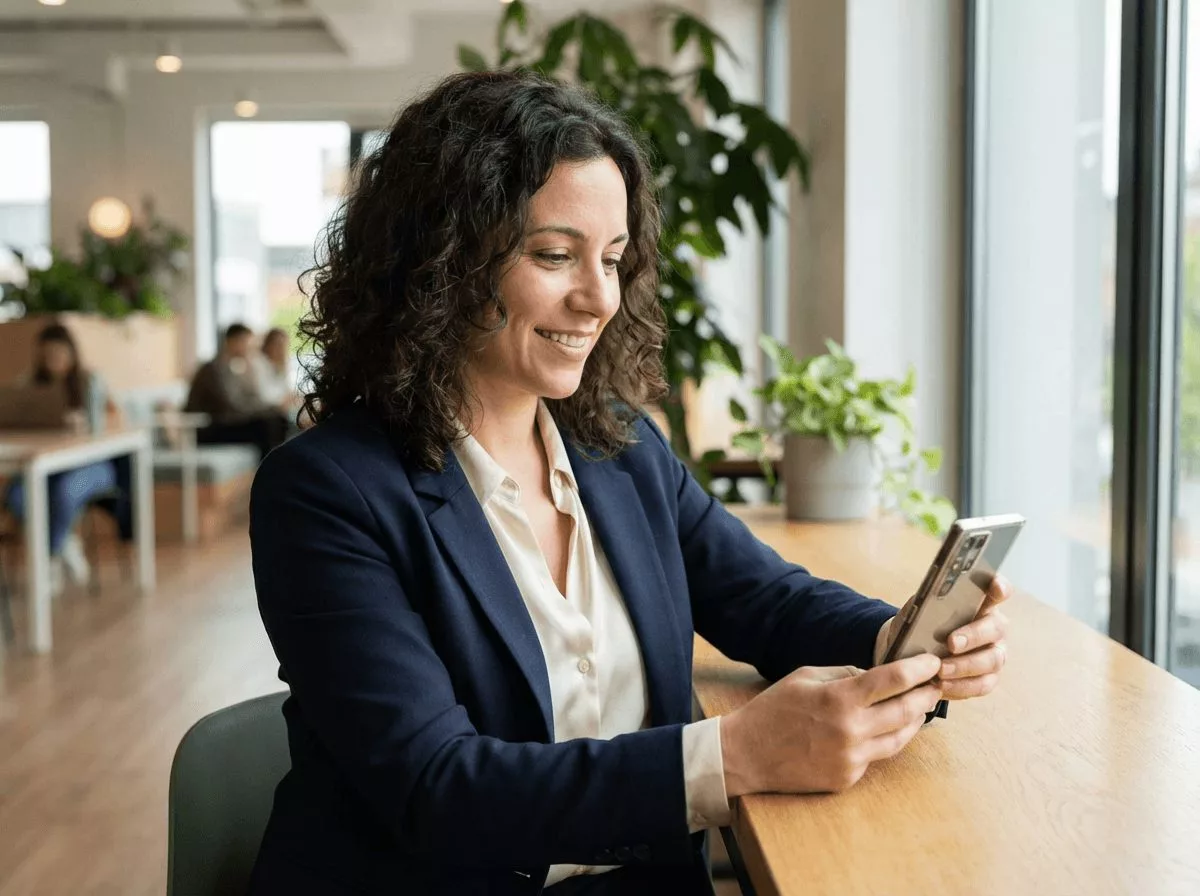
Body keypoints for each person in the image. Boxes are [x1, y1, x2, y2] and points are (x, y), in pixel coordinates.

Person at [248, 71, 1011, 896]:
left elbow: (768, 601)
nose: (598, 298)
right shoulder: (325, 492)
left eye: (612, 259)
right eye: (554, 255)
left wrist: (905, 640)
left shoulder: (621, 447)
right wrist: (734, 755)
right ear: (440, 262)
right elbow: (437, 789)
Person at [4, 323, 129, 588]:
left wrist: (88, 422)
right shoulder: (28, 386)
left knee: (65, 492)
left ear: (72, 353)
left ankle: (50, 555)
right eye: (47, 355)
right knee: (18, 496)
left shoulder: (90, 381)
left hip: (93, 466)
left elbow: (118, 418)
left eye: (58, 353)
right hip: (46, 465)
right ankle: (64, 543)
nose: (53, 360)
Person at [184, 323, 289, 460]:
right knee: (267, 425)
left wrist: (271, 408)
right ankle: (268, 469)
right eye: (247, 344)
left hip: (224, 423)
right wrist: (270, 408)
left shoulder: (232, 367)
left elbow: (247, 399)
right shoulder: (214, 369)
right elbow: (233, 405)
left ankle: (273, 467)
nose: (250, 349)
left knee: (278, 420)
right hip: (207, 429)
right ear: (232, 341)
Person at [251, 327, 299, 411]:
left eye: (284, 345)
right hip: (264, 411)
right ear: (268, 345)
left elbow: (287, 388)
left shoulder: (282, 364)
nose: (281, 349)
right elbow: (265, 396)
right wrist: (284, 400)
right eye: (277, 344)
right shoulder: (258, 363)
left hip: (280, 408)